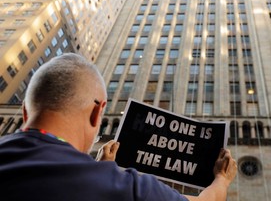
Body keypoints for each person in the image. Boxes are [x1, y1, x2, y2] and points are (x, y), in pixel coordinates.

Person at [0, 53, 237, 201]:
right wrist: (222, 181)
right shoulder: (124, 187)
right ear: (97, 112)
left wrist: (100, 171)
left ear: (25, 111)